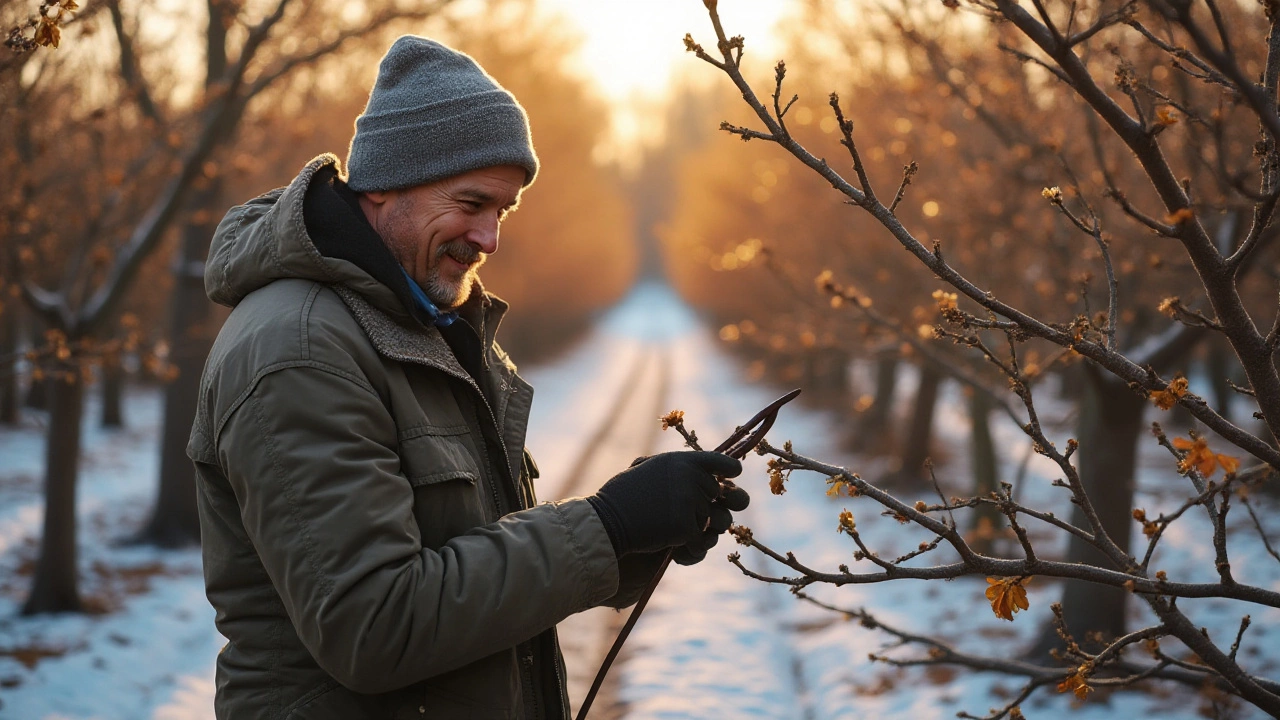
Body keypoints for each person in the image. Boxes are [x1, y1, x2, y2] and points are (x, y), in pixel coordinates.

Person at [187, 35, 749, 720]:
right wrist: (603, 526)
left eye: (501, 212)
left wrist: (635, 538)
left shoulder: (419, 324)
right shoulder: (300, 348)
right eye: (471, 202)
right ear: (386, 182)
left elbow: (464, 557)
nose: (489, 240)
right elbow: (375, 627)